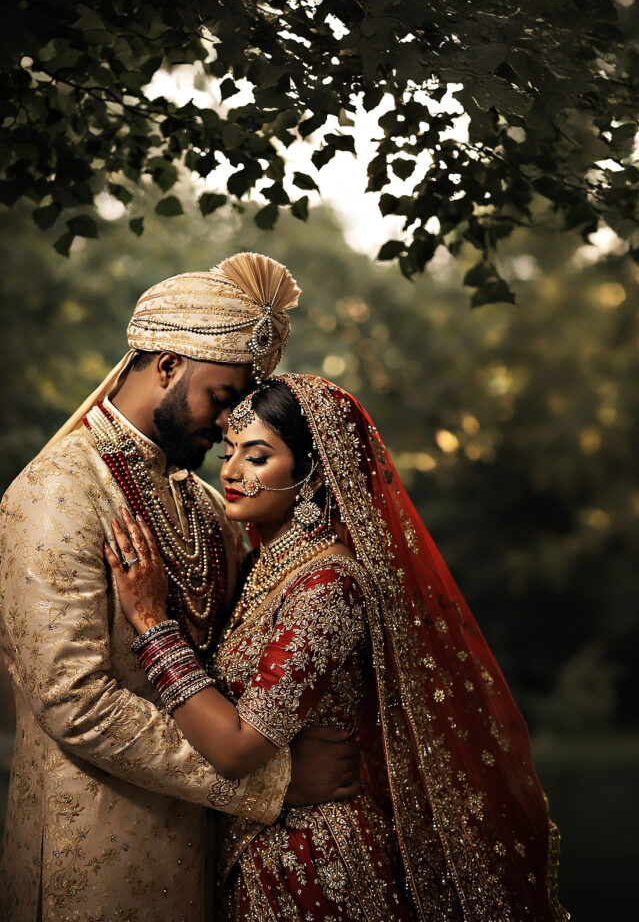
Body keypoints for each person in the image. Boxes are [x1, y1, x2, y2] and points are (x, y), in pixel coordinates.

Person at [109, 373, 570, 921]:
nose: (229, 471)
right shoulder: (263, 567)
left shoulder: (329, 584)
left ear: (310, 473)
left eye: (257, 458)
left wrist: (151, 623)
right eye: (229, 451)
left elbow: (237, 747)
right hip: (260, 851)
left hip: (311, 864)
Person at [0, 256, 358, 922]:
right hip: (95, 851)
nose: (228, 428)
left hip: (209, 849)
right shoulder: (58, 493)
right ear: (167, 366)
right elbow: (74, 702)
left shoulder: (203, 502)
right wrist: (271, 781)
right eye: (222, 401)